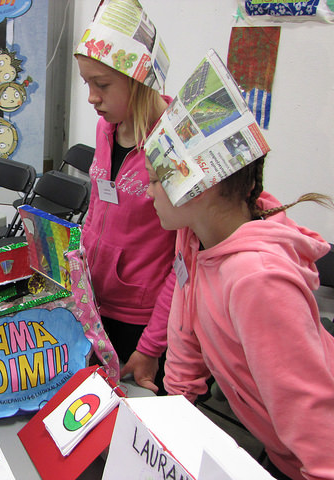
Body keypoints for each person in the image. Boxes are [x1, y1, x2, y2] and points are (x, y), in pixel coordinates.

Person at [145, 153, 334, 479]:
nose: (147, 193)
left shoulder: (258, 280)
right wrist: (174, 408)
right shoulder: (193, 235)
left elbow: (316, 427)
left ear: (196, 188)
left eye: (155, 180)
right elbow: (184, 329)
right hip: (279, 443)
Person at [74, 0, 175, 393]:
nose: (91, 98)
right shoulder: (107, 129)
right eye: (87, 83)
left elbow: (183, 265)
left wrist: (152, 345)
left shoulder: (172, 144)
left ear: (138, 80)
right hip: (95, 304)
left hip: (141, 321)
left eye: (102, 84)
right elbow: (100, 207)